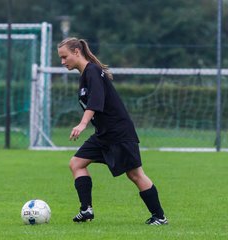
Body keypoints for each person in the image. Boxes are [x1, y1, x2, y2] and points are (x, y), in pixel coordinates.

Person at [57, 37, 168, 225]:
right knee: (76, 163)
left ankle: (160, 217)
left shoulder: (93, 70)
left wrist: (83, 124)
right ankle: (86, 210)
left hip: (119, 132)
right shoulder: (85, 74)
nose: (62, 62)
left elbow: (96, 101)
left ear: (76, 52)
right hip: (103, 134)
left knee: (135, 174)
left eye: (64, 57)